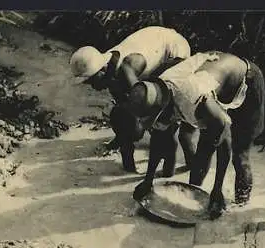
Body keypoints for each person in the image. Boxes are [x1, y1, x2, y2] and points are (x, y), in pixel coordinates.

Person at [128, 51, 265, 219]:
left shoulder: (196, 100)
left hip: (247, 81)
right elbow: (158, 141)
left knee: (240, 154)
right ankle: (195, 195)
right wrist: (148, 180)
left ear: (164, 108)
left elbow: (225, 140)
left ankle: (240, 207)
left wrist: (217, 189)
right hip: (215, 83)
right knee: (204, 150)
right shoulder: (158, 89)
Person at [69, 26, 192, 173]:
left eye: (91, 81)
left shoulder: (126, 69)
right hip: (155, 42)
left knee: (161, 110)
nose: (92, 86)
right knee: (126, 114)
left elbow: (145, 103)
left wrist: (133, 134)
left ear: (101, 70)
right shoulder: (108, 63)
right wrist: (123, 138)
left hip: (175, 49)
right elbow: (122, 102)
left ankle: (176, 161)